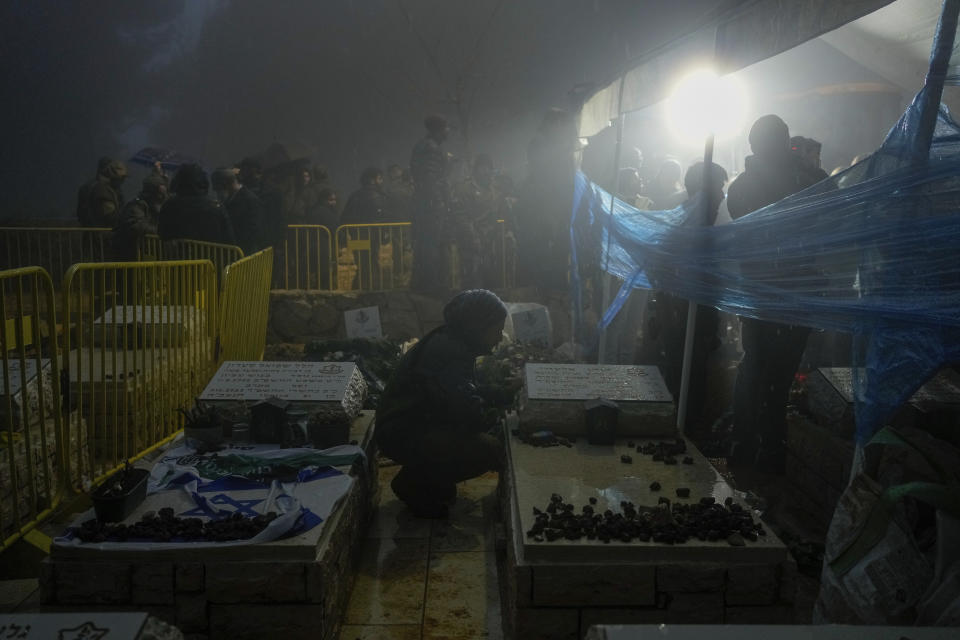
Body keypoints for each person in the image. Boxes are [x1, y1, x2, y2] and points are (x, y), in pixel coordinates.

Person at [726, 114, 823, 473]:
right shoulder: (803, 179)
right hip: (793, 291)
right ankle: (770, 452)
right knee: (778, 375)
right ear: (784, 143)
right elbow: (833, 204)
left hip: (757, 292)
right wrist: (806, 167)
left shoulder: (741, 186)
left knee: (754, 366)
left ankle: (744, 446)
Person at [376, 289, 507, 518]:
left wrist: (502, 392)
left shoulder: (451, 339)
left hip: (407, 425)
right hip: (401, 433)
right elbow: (467, 411)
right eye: (496, 330)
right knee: (490, 449)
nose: (499, 337)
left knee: (473, 440)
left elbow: (464, 392)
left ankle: (427, 477)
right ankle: (414, 484)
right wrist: (497, 418)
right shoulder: (450, 352)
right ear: (479, 326)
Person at [655, 162, 727, 431]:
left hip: (698, 323)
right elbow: (661, 275)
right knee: (686, 385)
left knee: (695, 384)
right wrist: (670, 317)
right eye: (718, 188)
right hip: (684, 324)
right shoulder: (685, 231)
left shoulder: (706, 230)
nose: (722, 196)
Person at [410, 115, 452, 292]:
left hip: (423, 202)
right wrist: (439, 201)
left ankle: (420, 281)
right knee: (431, 243)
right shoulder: (432, 149)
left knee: (423, 243)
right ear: (439, 130)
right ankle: (430, 283)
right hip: (431, 203)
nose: (448, 131)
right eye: (446, 128)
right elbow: (431, 179)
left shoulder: (422, 146)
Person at [452, 154, 504, 288]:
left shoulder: (495, 191)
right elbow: (460, 217)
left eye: (489, 168)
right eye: (483, 167)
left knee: (490, 281)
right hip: (471, 243)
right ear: (476, 169)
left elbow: (498, 215)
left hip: (490, 243)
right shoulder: (464, 189)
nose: (486, 171)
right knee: (472, 281)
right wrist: (473, 238)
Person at [158, 164, 235, 245]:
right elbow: (229, 240)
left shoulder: (168, 206)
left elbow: (162, 234)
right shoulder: (217, 207)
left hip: (178, 256)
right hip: (211, 256)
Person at [111, 174, 168, 260]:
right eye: (161, 193)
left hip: (137, 253)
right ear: (152, 192)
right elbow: (136, 225)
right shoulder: (137, 205)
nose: (164, 197)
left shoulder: (149, 205)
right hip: (128, 253)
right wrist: (162, 230)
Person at [212, 167, 264, 255]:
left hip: (245, 255)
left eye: (219, 189)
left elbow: (254, 231)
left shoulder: (250, 201)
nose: (218, 194)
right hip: (235, 252)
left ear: (227, 184)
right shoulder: (231, 199)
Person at [239, 157, 284, 248]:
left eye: (244, 169)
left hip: (264, 238)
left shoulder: (271, 191)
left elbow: (279, 216)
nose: (242, 172)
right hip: (257, 238)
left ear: (253, 170)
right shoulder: (271, 189)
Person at [78, 158, 127, 227]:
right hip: (103, 234)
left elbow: (80, 213)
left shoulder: (88, 186)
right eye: (122, 178)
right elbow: (110, 217)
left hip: (90, 231)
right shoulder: (102, 189)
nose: (123, 181)